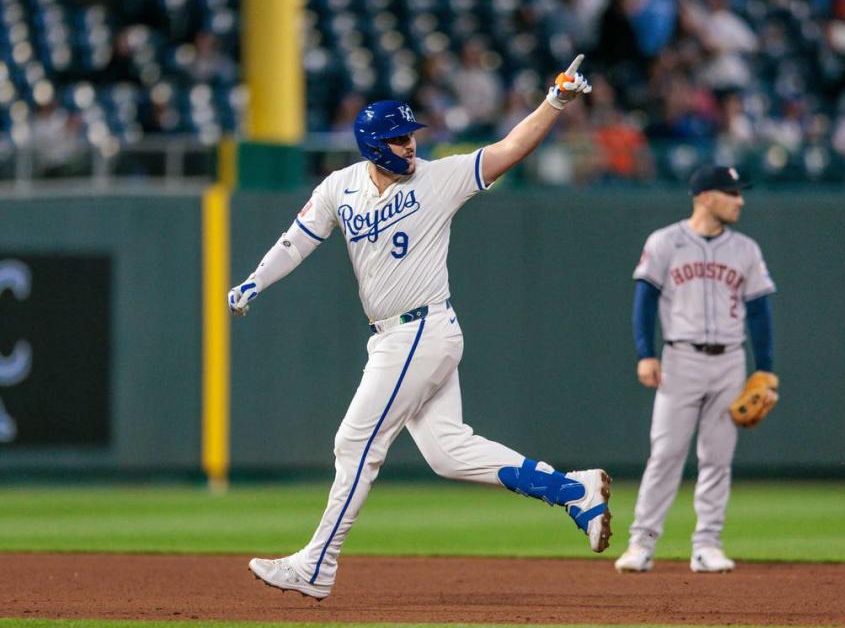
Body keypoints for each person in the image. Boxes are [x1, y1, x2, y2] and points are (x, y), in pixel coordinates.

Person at [228, 56, 611, 601]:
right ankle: (573, 490)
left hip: (419, 331)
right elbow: (298, 239)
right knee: (448, 452)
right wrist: (254, 282)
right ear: (374, 145)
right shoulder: (341, 186)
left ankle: (317, 565)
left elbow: (506, 150)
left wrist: (554, 101)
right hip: (397, 335)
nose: (411, 145)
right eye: (401, 139)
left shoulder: (439, 178)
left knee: (354, 442)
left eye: (411, 136)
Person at [614, 164, 776, 574]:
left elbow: (760, 313)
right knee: (666, 454)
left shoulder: (746, 250)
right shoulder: (666, 241)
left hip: (730, 360)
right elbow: (644, 301)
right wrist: (644, 353)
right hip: (680, 358)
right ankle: (641, 543)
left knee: (717, 458)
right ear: (706, 196)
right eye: (732, 192)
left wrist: (767, 369)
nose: (740, 200)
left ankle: (707, 545)